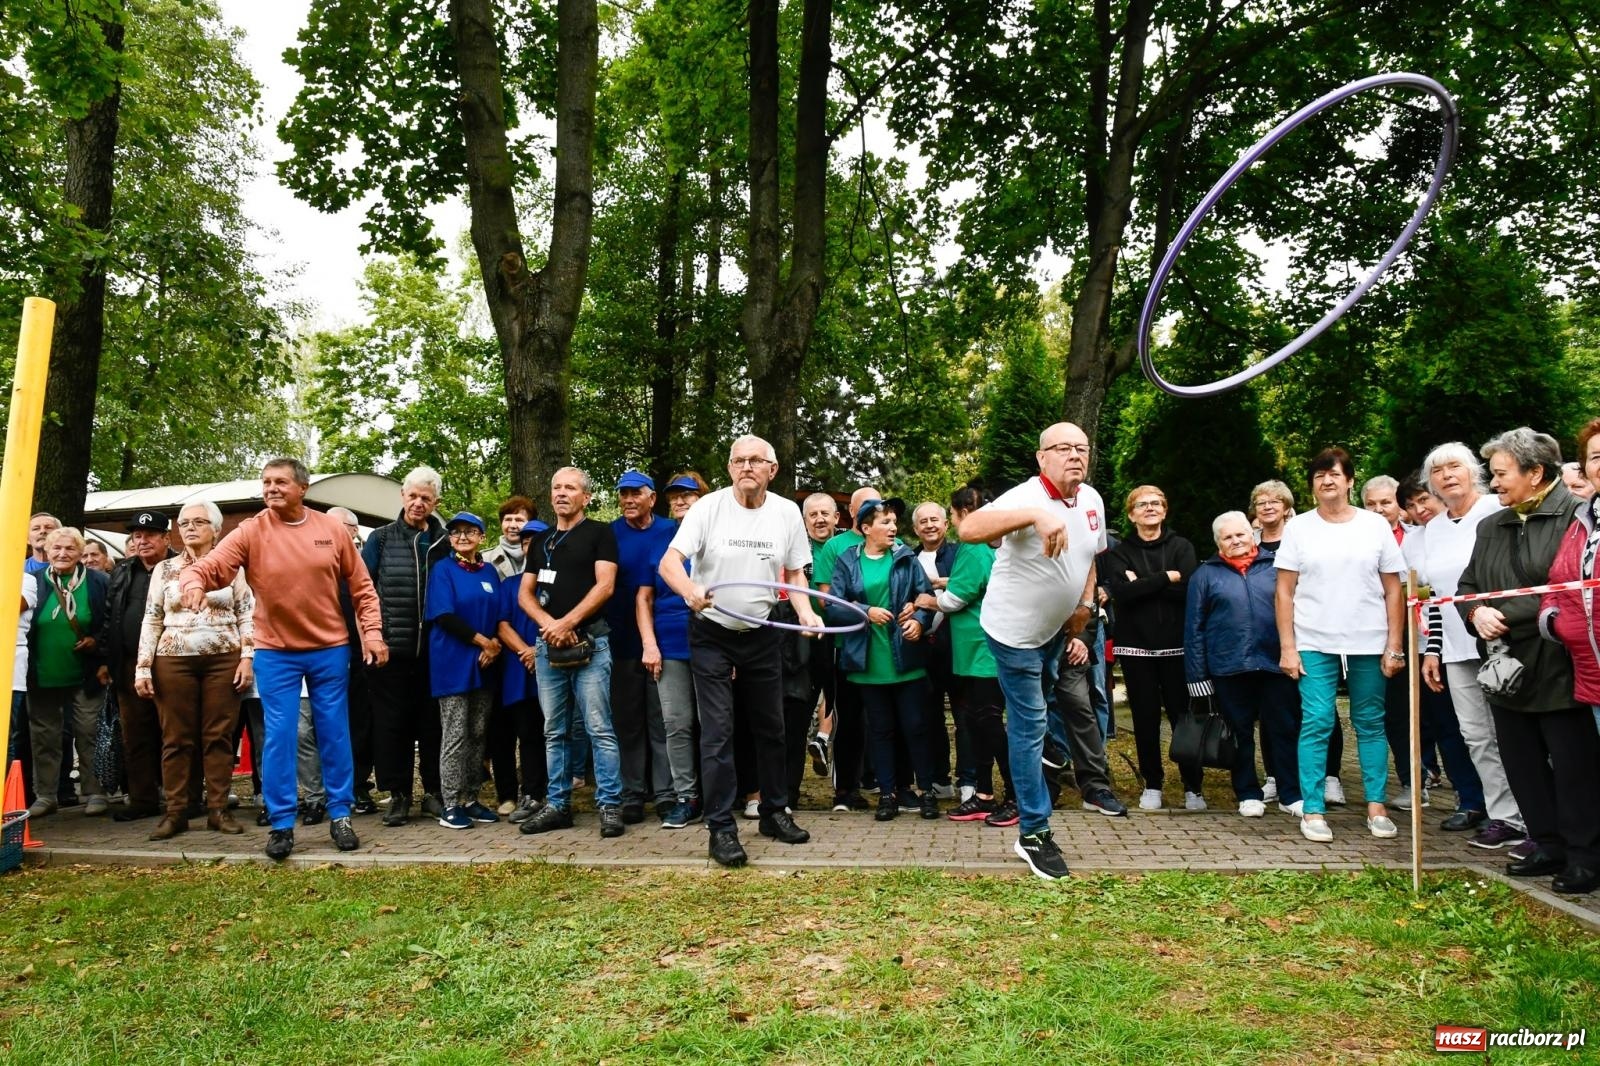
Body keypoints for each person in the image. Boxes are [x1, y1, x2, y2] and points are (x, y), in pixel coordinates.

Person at [180, 457, 387, 861]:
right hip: (276, 652)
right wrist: (192, 582)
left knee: (334, 732)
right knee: (279, 736)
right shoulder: (251, 530)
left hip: (329, 648)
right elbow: (213, 566)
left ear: (302, 488)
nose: (271, 489)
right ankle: (281, 824)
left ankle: (340, 816)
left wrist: (374, 633)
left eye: (280, 482)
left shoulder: (330, 529)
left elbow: (362, 588)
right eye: (266, 482)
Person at [959, 422, 1116, 880]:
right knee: (1027, 726)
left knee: (1062, 705)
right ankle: (1033, 832)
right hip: (1014, 635)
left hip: (1057, 629)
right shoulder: (1023, 496)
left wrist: (1085, 605)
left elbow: (1090, 557)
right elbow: (969, 528)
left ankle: (1048, 747)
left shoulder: (1091, 500)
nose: (1074, 456)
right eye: (1063, 448)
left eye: (1082, 448)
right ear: (1041, 457)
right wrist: (1033, 516)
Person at [658, 435, 821, 867]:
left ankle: (773, 812)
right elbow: (669, 563)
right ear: (730, 468)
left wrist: (804, 612)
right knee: (718, 731)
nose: (747, 466)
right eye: (739, 460)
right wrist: (690, 589)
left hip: (763, 633)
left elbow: (794, 574)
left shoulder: (787, 512)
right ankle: (721, 828)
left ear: (773, 469)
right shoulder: (707, 508)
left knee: (772, 727)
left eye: (756, 460)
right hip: (712, 632)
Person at [1459, 429, 1598, 894]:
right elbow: (1468, 587)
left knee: (1574, 765)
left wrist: (1510, 614)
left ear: (1535, 473)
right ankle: (1547, 842)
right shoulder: (1490, 525)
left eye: (1501, 474)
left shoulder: (1576, 519)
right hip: (1506, 669)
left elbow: (1570, 593)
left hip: (1561, 664)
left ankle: (1584, 855)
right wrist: (1476, 612)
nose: (1494, 484)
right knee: (1522, 762)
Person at [1275, 448, 1406, 844]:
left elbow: (1393, 589)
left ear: (1349, 480)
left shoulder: (1374, 526)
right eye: (1318, 476)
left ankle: (1376, 805)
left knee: (1369, 720)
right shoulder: (1299, 528)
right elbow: (1284, 591)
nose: (1326, 481)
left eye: (1334, 474)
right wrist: (1288, 647)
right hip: (1314, 637)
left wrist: (1395, 644)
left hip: (1369, 637)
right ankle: (1312, 809)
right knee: (1316, 721)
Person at [1417, 442, 1530, 853]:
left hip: (1501, 640)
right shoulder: (1433, 528)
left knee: (1515, 733)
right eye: (1438, 470)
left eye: (1454, 467)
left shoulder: (1495, 512)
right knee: (1475, 735)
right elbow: (1435, 595)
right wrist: (1432, 649)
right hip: (1454, 645)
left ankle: (1536, 816)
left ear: (1473, 472)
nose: (1447, 476)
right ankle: (1505, 817)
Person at [517, 467, 628, 838]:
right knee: (554, 730)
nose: (562, 493)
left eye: (571, 488)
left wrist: (567, 623)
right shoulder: (542, 540)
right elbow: (524, 595)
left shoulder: (601, 533)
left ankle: (611, 805)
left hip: (591, 644)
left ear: (586, 497)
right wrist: (551, 626)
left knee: (599, 728)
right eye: (556, 487)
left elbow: (606, 586)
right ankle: (557, 805)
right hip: (548, 648)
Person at [133, 501, 254, 839]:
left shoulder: (233, 568)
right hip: (173, 659)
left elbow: (247, 613)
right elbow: (152, 617)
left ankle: (218, 810)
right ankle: (176, 813)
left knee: (219, 736)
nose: (189, 527)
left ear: (216, 529)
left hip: (223, 658)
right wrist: (143, 668)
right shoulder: (165, 569)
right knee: (175, 738)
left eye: (199, 521)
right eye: (184, 522)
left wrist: (247, 656)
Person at [1184, 511, 1302, 817]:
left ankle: (1291, 793)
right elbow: (1194, 628)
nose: (1235, 541)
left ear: (1253, 534)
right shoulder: (1205, 575)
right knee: (1238, 733)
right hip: (1229, 667)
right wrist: (1197, 675)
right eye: (1227, 537)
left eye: (1240, 534)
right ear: (1218, 543)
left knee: (1284, 730)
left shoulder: (1277, 567)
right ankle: (1248, 792)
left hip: (1276, 664)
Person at [827, 499, 937, 820]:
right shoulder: (848, 560)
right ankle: (887, 795)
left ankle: (926, 791)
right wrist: (865, 611)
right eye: (885, 522)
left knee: (916, 727)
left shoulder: (905, 556)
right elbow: (833, 605)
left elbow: (925, 597)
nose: (893, 528)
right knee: (880, 730)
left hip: (905, 658)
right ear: (865, 528)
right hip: (867, 662)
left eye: (893, 522)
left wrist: (918, 620)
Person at [1104, 484, 1203, 811]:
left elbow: (1188, 590)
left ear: (1165, 509)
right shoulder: (1120, 552)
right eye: (1142, 504)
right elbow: (1122, 594)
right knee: (1144, 719)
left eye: (1156, 503)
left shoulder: (1182, 546)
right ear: (1132, 514)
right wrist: (1166, 578)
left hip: (1177, 647)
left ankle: (1193, 787)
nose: (1150, 508)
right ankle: (1153, 784)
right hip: (1136, 648)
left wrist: (1143, 582)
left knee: (1182, 718)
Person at [362, 466, 450, 826]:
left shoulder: (446, 543)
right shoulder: (380, 539)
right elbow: (362, 591)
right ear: (402, 497)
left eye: (425, 498)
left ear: (435, 503)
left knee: (433, 725)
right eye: (412, 496)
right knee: (390, 725)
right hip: (390, 651)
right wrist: (372, 637)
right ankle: (397, 794)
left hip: (434, 652)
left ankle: (433, 792)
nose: (418, 503)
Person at [925, 484, 1018, 826]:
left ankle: (1015, 795)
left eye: (951, 513)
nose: (951, 520)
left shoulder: (973, 545)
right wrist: (947, 583)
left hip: (984, 652)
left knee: (991, 725)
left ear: (964, 512)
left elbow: (956, 599)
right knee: (977, 725)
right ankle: (983, 794)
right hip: (972, 653)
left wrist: (929, 600)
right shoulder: (985, 547)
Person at [1362, 474, 1440, 809]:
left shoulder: (1417, 537)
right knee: (1394, 713)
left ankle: (1434, 774)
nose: (1379, 510)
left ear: (1399, 505)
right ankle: (1412, 781)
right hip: (1377, 634)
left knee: (1427, 713)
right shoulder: (1358, 537)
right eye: (1371, 504)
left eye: (1386, 502)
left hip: (1421, 635)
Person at [606, 470, 679, 823]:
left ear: (652, 498)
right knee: (628, 722)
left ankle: (666, 793)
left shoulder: (671, 531)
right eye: (623, 494)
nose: (628, 500)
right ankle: (632, 794)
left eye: (636, 494)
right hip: (621, 642)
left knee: (662, 720)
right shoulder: (609, 535)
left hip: (662, 641)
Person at [425, 512, 504, 830]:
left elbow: (501, 613)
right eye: (456, 532)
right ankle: (451, 803)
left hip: (486, 663)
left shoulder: (489, 572)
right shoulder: (443, 569)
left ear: (482, 536)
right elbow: (444, 615)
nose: (462, 537)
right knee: (455, 734)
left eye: (470, 531)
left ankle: (471, 798)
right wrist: (484, 643)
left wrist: (495, 643)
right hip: (453, 662)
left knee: (477, 733)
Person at [24, 527, 109, 818]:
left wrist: (98, 644)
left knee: (89, 732)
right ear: (47, 551)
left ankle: (95, 791)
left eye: (70, 549)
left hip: (86, 674)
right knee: (44, 736)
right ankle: (46, 794)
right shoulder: (31, 582)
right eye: (57, 548)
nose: (62, 554)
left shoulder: (99, 582)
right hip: (41, 674)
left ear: (79, 553)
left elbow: (111, 621)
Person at [814, 485, 881, 811]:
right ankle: (846, 792)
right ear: (852, 512)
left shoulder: (893, 544)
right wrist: (866, 610)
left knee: (884, 718)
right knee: (850, 718)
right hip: (846, 645)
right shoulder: (837, 547)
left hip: (884, 648)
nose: (872, 510)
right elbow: (827, 598)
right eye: (864, 505)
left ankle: (891, 787)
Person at [107, 511, 178, 822]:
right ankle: (142, 799)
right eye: (137, 535)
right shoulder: (122, 571)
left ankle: (183, 799)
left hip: (174, 662)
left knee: (176, 733)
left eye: (150, 534)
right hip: (128, 664)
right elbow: (110, 617)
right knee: (135, 734)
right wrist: (106, 662)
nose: (142, 540)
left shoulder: (181, 567)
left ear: (166, 538)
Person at [493, 515, 551, 823]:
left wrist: (539, 651)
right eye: (526, 541)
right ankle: (529, 793)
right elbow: (501, 625)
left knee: (554, 732)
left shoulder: (560, 580)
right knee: (526, 733)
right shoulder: (511, 585)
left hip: (553, 667)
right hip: (520, 672)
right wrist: (526, 651)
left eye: (537, 540)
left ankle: (554, 792)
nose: (531, 546)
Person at [1546, 421, 1600, 738]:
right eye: (1594, 457)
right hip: (1593, 678)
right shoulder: (1581, 524)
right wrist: (1555, 622)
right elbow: (1556, 584)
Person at [910, 501, 965, 801]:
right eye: (923, 521)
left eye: (935, 520)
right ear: (915, 528)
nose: (930, 525)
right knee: (928, 717)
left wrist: (946, 585)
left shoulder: (960, 554)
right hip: (923, 647)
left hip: (956, 645)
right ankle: (937, 779)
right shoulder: (909, 558)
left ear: (946, 524)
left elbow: (973, 586)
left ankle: (967, 778)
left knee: (964, 715)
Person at [800, 492, 839, 779]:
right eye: (813, 515)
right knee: (801, 698)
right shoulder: (798, 549)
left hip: (839, 632)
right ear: (804, 521)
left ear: (837, 518)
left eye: (825, 513)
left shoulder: (848, 547)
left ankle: (823, 740)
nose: (820, 519)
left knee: (836, 691)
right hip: (802, 634)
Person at [482, 496, 536, 580]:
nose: (512, 525)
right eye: (508, 519)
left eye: (519, 520)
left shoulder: (543, 556)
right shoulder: (485, 559)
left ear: (531, 524)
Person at [1249, 481, 1294, 551]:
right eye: (1261, 503)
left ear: (1286, 509)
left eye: (1274, 502)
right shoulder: (1248, 542)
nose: (1267, 507)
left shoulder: (1299, 538)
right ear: (1255, 511)